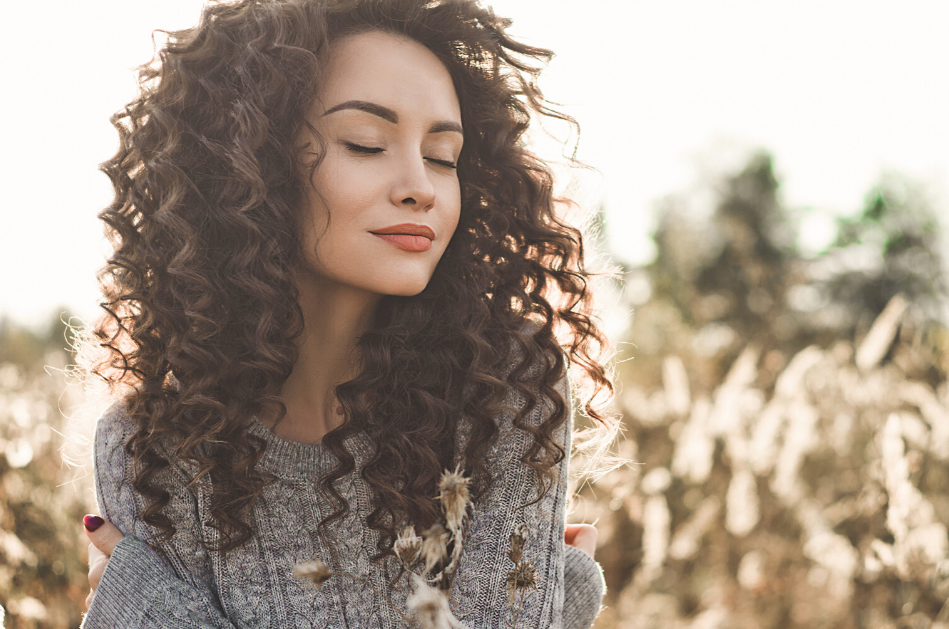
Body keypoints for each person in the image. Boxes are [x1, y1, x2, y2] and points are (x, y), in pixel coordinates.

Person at [79, 0, 616, 627]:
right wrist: (555, 601)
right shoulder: (153, 445)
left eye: (444, 156)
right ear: (248, 166)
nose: (422, 185)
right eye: (367, 144)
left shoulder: (505, 392)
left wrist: (158, 614)